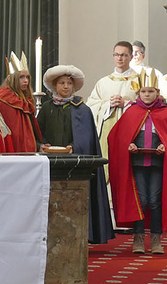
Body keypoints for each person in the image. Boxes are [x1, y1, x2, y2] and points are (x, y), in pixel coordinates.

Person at [108, 70, 167, 254]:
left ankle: (156, 239)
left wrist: (165, 145)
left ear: (157, 93)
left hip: (157, 164)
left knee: (154, 201)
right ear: (138, 94)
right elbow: (117, 137)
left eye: (151, 92)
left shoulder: (165, 112)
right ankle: (138, 239)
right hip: (137, 163)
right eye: (144, 92)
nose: (147, 95)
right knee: (141, 200)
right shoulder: (132, 112)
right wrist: (128, 146)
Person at [37, 65, 114, 244]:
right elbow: (37, 132)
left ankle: (81, 233)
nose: (65, 86)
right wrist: (41, 145)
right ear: (54, 86)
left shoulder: (82, 109)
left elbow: (86, 136)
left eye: (69, 83)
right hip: (52, 161)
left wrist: (74, 146)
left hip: (74, 162)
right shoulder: (47, 108)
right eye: (62, 83)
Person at [87, 41, 140, 176]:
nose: (119, 58)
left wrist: (126, 104)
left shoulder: (140, 81)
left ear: (131, 57)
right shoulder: (103, 82)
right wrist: (107, 104)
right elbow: (90, 105)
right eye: (116, 55)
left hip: (130, 131)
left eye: (123, 55)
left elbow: (148, 107)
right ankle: (108, 197)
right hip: (107, 130)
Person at [0, 52, 41, 152]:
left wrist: (38, 145)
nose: (26, 81)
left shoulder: (26, 99)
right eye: (21, 77)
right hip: (14, 149)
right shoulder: (5, 98)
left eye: (27, 77)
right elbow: (13, 130)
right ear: (12, 79)